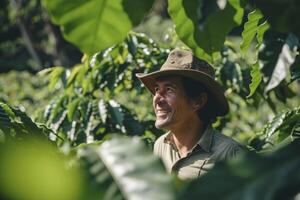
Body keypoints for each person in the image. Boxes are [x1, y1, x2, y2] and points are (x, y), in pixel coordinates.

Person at [136, 49, 245, 180]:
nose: (157, 99)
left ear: (198, 101)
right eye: (157, 89)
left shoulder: (231, 154)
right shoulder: (160, 146)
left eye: (169, 90)